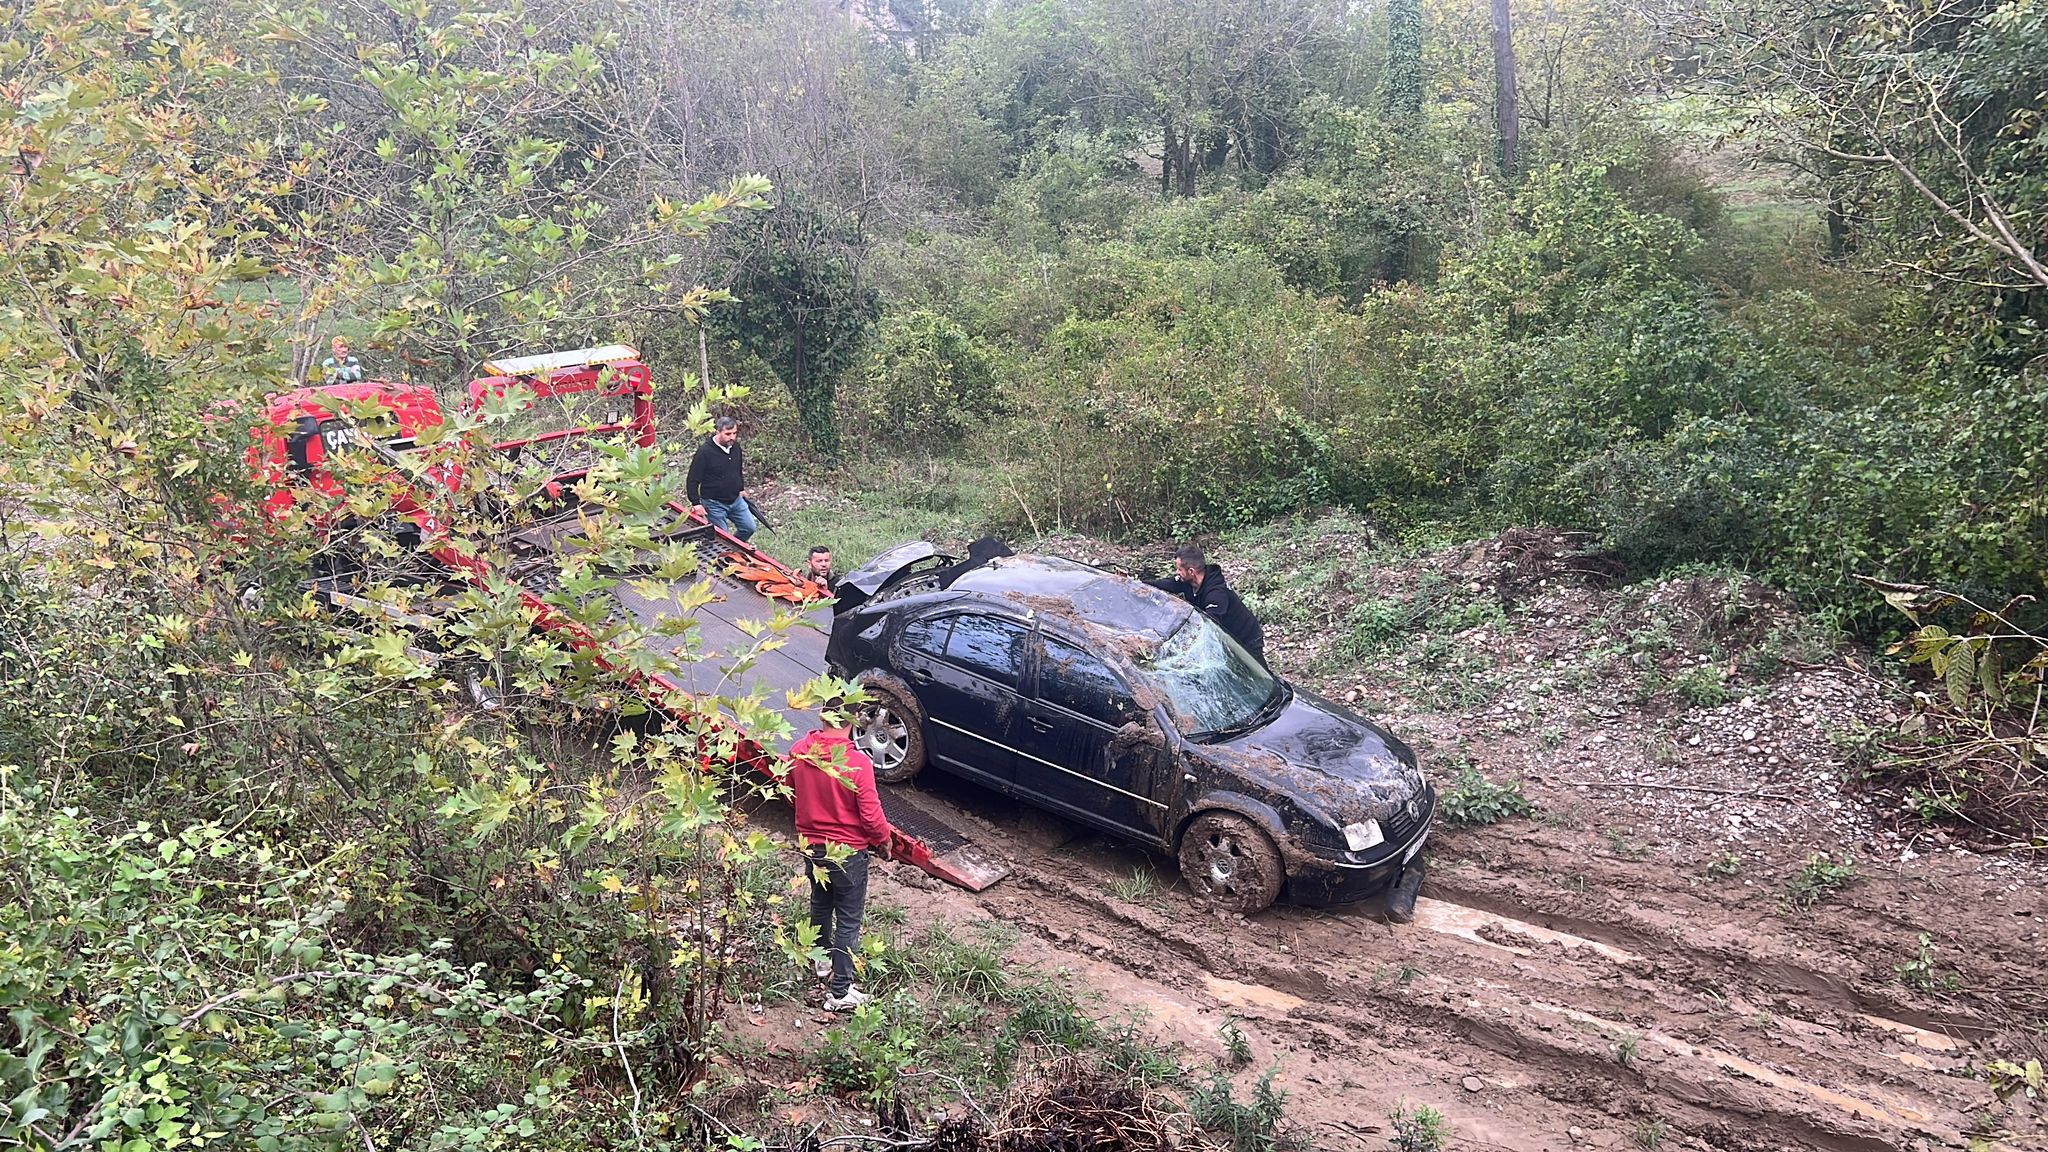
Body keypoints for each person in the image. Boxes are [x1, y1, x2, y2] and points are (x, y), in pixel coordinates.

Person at [787, 693, 896, 1011]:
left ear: (822, 717)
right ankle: (840, 992)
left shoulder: (799, 753)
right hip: (847, 852)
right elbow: (871, 815)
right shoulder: (858, 763)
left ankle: (820, 961)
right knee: (849, 918)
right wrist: (884, 841)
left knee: (820, 903)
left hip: (812, 846)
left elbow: (791, 790)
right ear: (852, 723)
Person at [1146, 545, 1266, 666]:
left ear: (1191, 571)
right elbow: (1167, 584)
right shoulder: (1189, 582)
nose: (1177, 573)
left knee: (1256, 674)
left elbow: (1209, 623)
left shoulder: (1216, 593)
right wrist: (1137, 583)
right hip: (1226, 638)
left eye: (1179, 570)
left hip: (1246, 637)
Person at [686, 416, 756, 541]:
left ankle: (734, 551)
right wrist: (696, 503)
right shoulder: (705, 452)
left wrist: (741, 488)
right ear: (718, 432)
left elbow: (737, 470)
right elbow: (692, 479)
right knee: (722, 537)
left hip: (735, 500)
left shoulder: (735, 447)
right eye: (728, 434)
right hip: (714, 503)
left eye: (734, 433)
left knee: (749, 527)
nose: (732, 437)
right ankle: (724, 556)